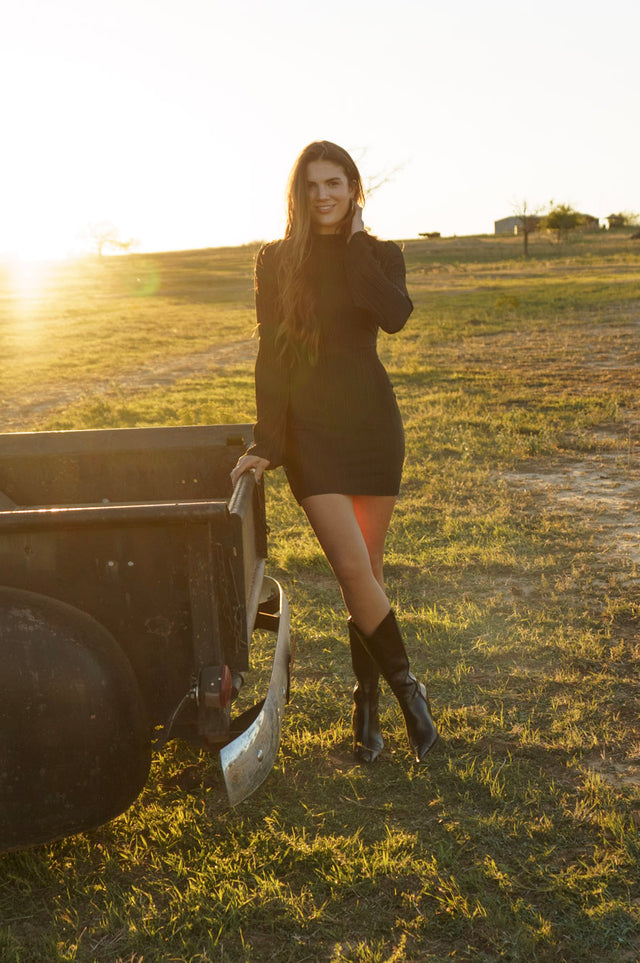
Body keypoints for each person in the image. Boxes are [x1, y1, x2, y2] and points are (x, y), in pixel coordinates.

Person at [229, 141, 437, 762]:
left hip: (372, 425)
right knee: (351, 568)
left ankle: (364, 708)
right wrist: (269, 441)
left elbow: (395, 316)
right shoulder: (276, 260)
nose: (323, 195)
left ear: (353, 189)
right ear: (299, 193)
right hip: (312, 434)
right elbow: (272, 353)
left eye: (335, 184)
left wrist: (353, 251)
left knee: (367, 574)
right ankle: (409, 694)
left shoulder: (378, 255)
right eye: (312, 185)